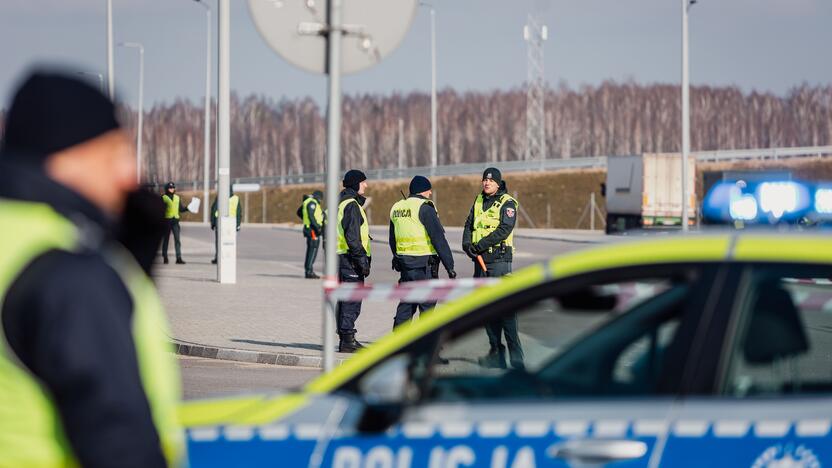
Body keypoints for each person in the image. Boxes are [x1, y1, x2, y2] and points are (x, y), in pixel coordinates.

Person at [0, 71, 183, 467]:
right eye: (114, 153)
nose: (129, 174)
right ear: (68, 155)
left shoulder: (13, 241)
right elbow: (118, 437)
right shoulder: (68, 272)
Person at [461, 167, 524, 370]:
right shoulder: (478, 201)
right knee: (486, 310)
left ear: (498, 183)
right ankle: (496, 352)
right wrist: (466, 245)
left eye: (490, 180)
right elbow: (468, 225)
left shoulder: (508, 203)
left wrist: (479, 246)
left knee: (505, 312)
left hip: (499, 262)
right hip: (480, 262)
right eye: (484, 180)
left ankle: (517, 361)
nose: (486, 183)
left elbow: (504, 229)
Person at [389, 176, 455, 328]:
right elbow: (438, 238)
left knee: (406, 305)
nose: (430, 193)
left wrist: (396, 257)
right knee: (427, 307)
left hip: (405, 265)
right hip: (424, 266)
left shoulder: (397, 208)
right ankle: (426, 346)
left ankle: (398, 344)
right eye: (428, 190)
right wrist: (449, 266)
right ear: (423, 191)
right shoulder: (425, 207)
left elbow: (392, 238)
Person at [336, 170, 371, 353]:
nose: (365, 185)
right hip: (350, 259)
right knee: (352, 299)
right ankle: (348, 340)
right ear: (355, 184)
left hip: (342, 258)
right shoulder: (351, 205)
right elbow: (353, 238)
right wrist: (362, 261)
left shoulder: (341, 202)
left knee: (345, 298)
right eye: (363, 182)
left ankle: (345, 337)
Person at [210, 188, 242, 264]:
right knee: (230, 242)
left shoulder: (219, 197)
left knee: (218, 241)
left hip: (220, 222)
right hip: (231, 223)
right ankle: (229, 257)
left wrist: (213, 223)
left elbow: (214, 210)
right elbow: (238, 213)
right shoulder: (236, 199)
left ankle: (218, 258)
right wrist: (238, 225)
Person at [161, 181, 188, 264]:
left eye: (173, 188)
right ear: (167, 189)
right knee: (166, 240)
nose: (172, 189)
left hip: (175, 221)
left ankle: (178, 258)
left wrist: (188, 208)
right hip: (167, 221)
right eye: (170, 188)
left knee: (177, 240)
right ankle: (165, 256)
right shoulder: (163, 197)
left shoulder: (177, 197)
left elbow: (181, 209)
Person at [301, 190, 325, 279]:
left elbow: (299, 212)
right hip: (313, 230)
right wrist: (317, 227)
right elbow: (311, 216)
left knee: (311, 250)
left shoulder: (307, 202)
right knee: (312, 251)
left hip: (310, 229)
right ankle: (309, 271)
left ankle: (309, 270)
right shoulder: (312, 203)